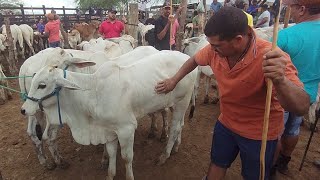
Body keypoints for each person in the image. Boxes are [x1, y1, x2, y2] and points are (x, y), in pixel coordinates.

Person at [154, 6, 310, 180]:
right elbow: (194, 60)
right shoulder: (215, 50)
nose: (211, 49)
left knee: (253, 175)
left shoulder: (270, 57)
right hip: (226, 123)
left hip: (259, 133)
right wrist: (173, 80)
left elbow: (302, 106)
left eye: (216, 45)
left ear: (238, 40)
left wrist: (280, 80)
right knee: (217, 163)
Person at [270, 0, 320, 176]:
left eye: (292, 8)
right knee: (293, 129)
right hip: (308, 96)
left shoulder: (286, 35)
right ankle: (284, 162)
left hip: (282, 96)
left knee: (275, 133)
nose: (290, 13)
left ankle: (272, 167)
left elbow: (267, 60)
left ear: (302, 9)